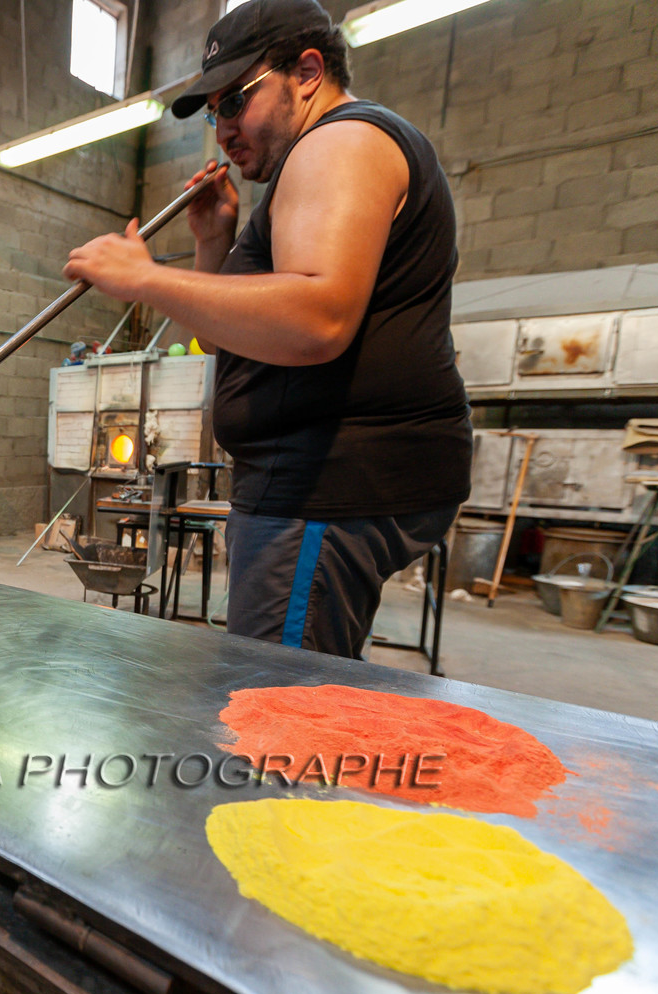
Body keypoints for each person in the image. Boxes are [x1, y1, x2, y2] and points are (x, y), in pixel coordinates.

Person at [63, 0, 472, 660]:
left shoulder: (340, 142)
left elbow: (318, 319)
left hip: (325, 485)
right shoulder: (316, 161)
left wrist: (143, 279)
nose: (222, 130)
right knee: (289, 696)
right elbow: (233, 335)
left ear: (308, 71)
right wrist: (214, 240)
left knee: (274, 715)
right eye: (214, 111)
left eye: (235, 102)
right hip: (311, 484)